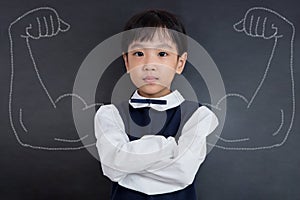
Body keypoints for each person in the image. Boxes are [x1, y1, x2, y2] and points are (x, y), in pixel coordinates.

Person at [94, 9, 219, 200]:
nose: (149, 64)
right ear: (127, 62)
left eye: (162, 53)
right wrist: (170, 146)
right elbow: (112, 166)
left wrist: (130, 161)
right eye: (138, 53)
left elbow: (183, 172)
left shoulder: (199, 115)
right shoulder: (109, 114)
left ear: (180, 63)